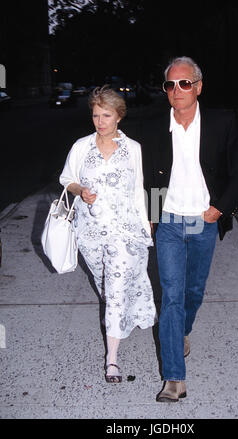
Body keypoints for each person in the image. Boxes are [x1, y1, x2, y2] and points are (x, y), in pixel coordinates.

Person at [141, 57, 238, 402]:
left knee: (194, 291)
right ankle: (174, 378)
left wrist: (220, 208)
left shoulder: (222, 122)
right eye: (170, 85)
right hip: (170, 222)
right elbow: (149, 176)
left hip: (204, 221)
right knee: (171, 296)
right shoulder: (156, 128)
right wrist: (154, 216)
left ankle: (183, 331)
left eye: (184, 83)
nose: (177, 91)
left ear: (198, 87)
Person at [60, 85, 156, 383]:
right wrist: (80, 190)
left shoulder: (134, 150)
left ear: (119, 117)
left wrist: (148, 224)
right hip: (89, 233)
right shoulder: (81, 147)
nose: (100, 121)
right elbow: (67, 179)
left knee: (114, 291)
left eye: (106, 115)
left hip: (125, 232)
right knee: (107, 286)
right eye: (95, 115)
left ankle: (111, 360)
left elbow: (141, 190)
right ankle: (126, 315)